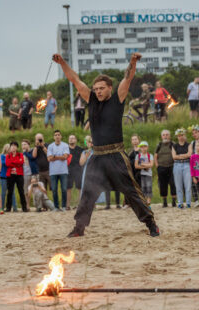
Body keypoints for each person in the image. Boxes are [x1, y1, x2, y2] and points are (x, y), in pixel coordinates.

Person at [54, 52, 159, 237]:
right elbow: (75, 79)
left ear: (110, 88)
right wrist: (62, 63)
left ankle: (151, 223)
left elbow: (128, 77)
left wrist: (133, 62)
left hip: (116, 156)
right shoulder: (91, 99)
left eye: (102, 88)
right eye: (96, 89)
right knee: (87, 192)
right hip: (97, 157)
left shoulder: (117, 98)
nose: (99, 91)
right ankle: (79, 228)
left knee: (131, 192)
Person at [47, 130, 69, 211]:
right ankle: (56, 207)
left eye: (58, 135)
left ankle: (63, 206)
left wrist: (54, 156)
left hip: (63, 171)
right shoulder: (50, 146)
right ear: (54, 137)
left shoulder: (65, 145)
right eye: (55, 135)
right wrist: (60, 156)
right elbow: (49, 159)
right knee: (54, 190)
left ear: (61, 136)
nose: (57, 136)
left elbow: (65, 157)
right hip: (53, 172)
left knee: (64, 189)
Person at [155, 130, 176, 207]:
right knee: (163, 185)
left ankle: (174, 201)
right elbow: (155, 155)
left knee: (173, 183)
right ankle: (165, 202)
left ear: (169, 136)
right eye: (164, 135)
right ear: (162, 136)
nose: (165, 136)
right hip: (161, 167)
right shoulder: (159, 145)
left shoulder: (173, 144)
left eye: (167, 135)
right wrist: (157, 165)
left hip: (172, 166)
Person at [5, 141, 28, 212]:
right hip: (10, 175)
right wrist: (16, 163)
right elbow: (7, 164)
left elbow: (21, 162)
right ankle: (8, 208)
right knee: (10, 192)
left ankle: (24, 208)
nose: (13, 147)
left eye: (15, 146)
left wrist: (13, 162)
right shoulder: (8, 155)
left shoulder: (20, 154)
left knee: (21, 191)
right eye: (12, 146)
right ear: (10, 147)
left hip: (19, 175)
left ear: (17, 147)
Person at [172, 128, 191, 209]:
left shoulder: (188, 145)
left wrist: (179, 156)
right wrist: (184, 155)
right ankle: (180, 202)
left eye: (182, 135)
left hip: (187, 164)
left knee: (188, 185)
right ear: (177, 137)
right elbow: (174, 157)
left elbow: (189, 154)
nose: (181, 137)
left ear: (185, 135)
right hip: (177, 165)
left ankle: (188, 203)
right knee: (178, 185)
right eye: (179, 136)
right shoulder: (174, 146)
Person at [66, 134, 83, 210]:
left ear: (76, 140)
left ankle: (79, 205)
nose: (71, 139)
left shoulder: (80, 149)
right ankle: (68, 205)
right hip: (68, 170)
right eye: (70, 138)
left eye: (73, 138)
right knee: (68, 188)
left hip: (78, 170)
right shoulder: (65, 149)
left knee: (79, 188)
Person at [135, 141, 153, 205]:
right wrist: (146, 166)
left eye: (145, 146)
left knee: (149, 187)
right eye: (142, 147)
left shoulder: (150, 155)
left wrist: (143, 165)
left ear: (147, 147)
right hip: (141, 174)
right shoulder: (138, 156)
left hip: (149, 174)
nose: (143, 148)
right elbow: (136, 166)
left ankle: (149, 202)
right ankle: (144, 201)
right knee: (143, 188)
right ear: (140, 148)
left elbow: (151, 165)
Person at [0, 144, 16, 212]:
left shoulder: (13, 156)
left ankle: (15, 207)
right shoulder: (2, 156)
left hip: (11, 176)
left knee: (12, 192)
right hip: (3, 176)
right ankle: (2, 207)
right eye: (9, 148)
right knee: (3, 192)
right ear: (6, 149)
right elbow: (4, 163)